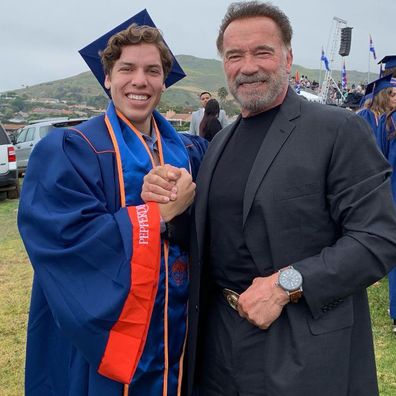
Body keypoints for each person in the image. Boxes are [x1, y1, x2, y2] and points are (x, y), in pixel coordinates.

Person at [141, 2, 396, 395]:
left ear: (288, 57)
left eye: (262, 52)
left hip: (303, 353)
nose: (248, 66)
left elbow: (377, 239)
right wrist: (171, 208)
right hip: (217, 349)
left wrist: (286, 285)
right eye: (235, 55)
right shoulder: (221, 141)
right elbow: (221, 236)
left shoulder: (337, 130)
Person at [18, 12, 206, 396]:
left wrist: (190, 205)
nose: (140, 80)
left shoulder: (190, 151)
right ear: (107, 77)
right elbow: (66, 242)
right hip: (106, 338)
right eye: (127, 68)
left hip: (177, 331)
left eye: (153, 70)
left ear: (164, 82)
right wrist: (157, 217)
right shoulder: (71, 150)